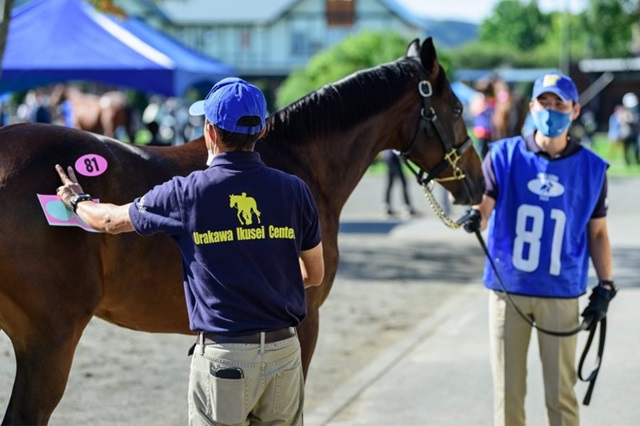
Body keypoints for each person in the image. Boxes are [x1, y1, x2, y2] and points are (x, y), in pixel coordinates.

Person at [55, 77, 325, 425]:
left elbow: (108, 220)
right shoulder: (295, 190)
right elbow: (314, 274)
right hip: (284, 354)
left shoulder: (186, 193)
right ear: (259, 132)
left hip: (224, 358)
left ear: (210, 132)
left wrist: (76, 200)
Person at [460, 71, 616, 426]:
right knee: (507, 394)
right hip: (508, 290)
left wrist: (605, 285)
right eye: (543, 102)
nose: (550, 110)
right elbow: (485, 205)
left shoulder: (592, 168)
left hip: (560, 291)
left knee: (561, 396)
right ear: (531, 107)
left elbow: (598, 234)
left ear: (574, 110)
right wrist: (474, 216)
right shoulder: (502, 155)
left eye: (558, 103)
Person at [381, 149, 418, 218]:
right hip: (392, 157)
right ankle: (406, 206)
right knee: (402, 182)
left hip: (389, 157)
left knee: (391, 183)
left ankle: (386, 205)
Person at [618, 92, 640, 166]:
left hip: (634, 134)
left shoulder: (636, 113)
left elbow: (635, 121)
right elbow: (620, 121)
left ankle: (637, 160)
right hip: (625, 134)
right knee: (626, 149)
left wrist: (630, 119)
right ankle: (627, 162)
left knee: (636, 148)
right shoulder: (622, 112)